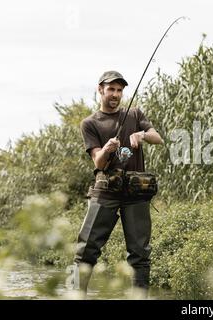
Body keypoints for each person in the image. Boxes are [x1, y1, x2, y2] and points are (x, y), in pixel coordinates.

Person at [72, 70, 164, 298]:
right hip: (105, 192)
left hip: (136, 193)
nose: (115, 94)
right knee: (85, 251)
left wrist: (142, 135)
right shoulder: (90, 123)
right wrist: (106, 149)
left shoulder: (134, 113)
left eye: (119, 90)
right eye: (111, 89)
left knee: (140, 254)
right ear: (100, 89)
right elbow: (98, 162)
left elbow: (158, 138)